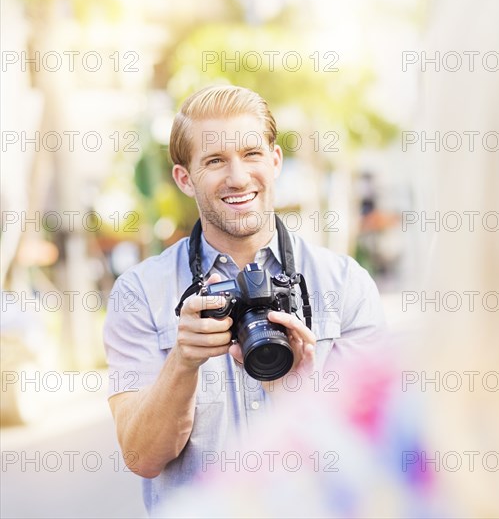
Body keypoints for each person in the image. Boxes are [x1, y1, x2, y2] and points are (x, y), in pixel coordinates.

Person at [103, 84, 385, 515]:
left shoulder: (344, 284)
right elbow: (142, 457)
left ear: (274, 161)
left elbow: (375, 459)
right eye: (215, 161)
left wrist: (300, 394)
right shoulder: (140, 293)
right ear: (184, 177)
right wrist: (182, 362)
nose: (237, 178)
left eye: (251, 154)